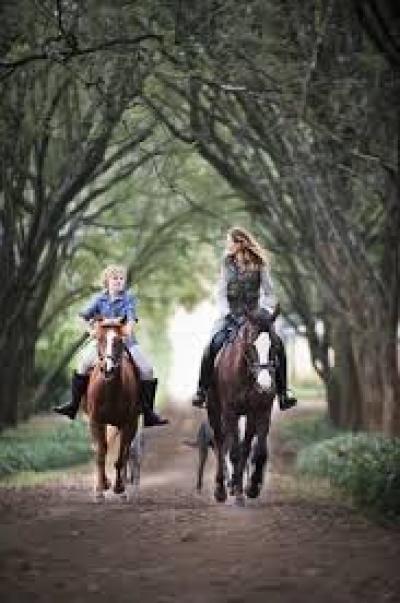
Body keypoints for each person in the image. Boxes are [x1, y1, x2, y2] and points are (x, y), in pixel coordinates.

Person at [192, 227, 297, 411]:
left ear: (240, 243)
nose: (228, 245)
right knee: (212, 345)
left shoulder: (260, 264)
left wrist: (263, 311)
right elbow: (221, 292)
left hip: (255, 317)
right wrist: (226, 312)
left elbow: (269, 293)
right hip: (230, 315)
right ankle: (202, 390)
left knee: (278, 345)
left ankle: (283, 393)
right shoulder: (226, 262)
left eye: (231, 242)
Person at [54, 264, 168, 427]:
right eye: (115, 278)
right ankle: (73, 405)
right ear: (107, 281)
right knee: (82, 365)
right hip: (102, 343)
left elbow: (130, 321)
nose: (119, 281)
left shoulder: (129, 298)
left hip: (125, 342)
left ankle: (148, 413)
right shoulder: (99, 299)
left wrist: (122, 327)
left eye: (121, 279)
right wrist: (91, 330)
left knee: (147, 370)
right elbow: (82, 317)